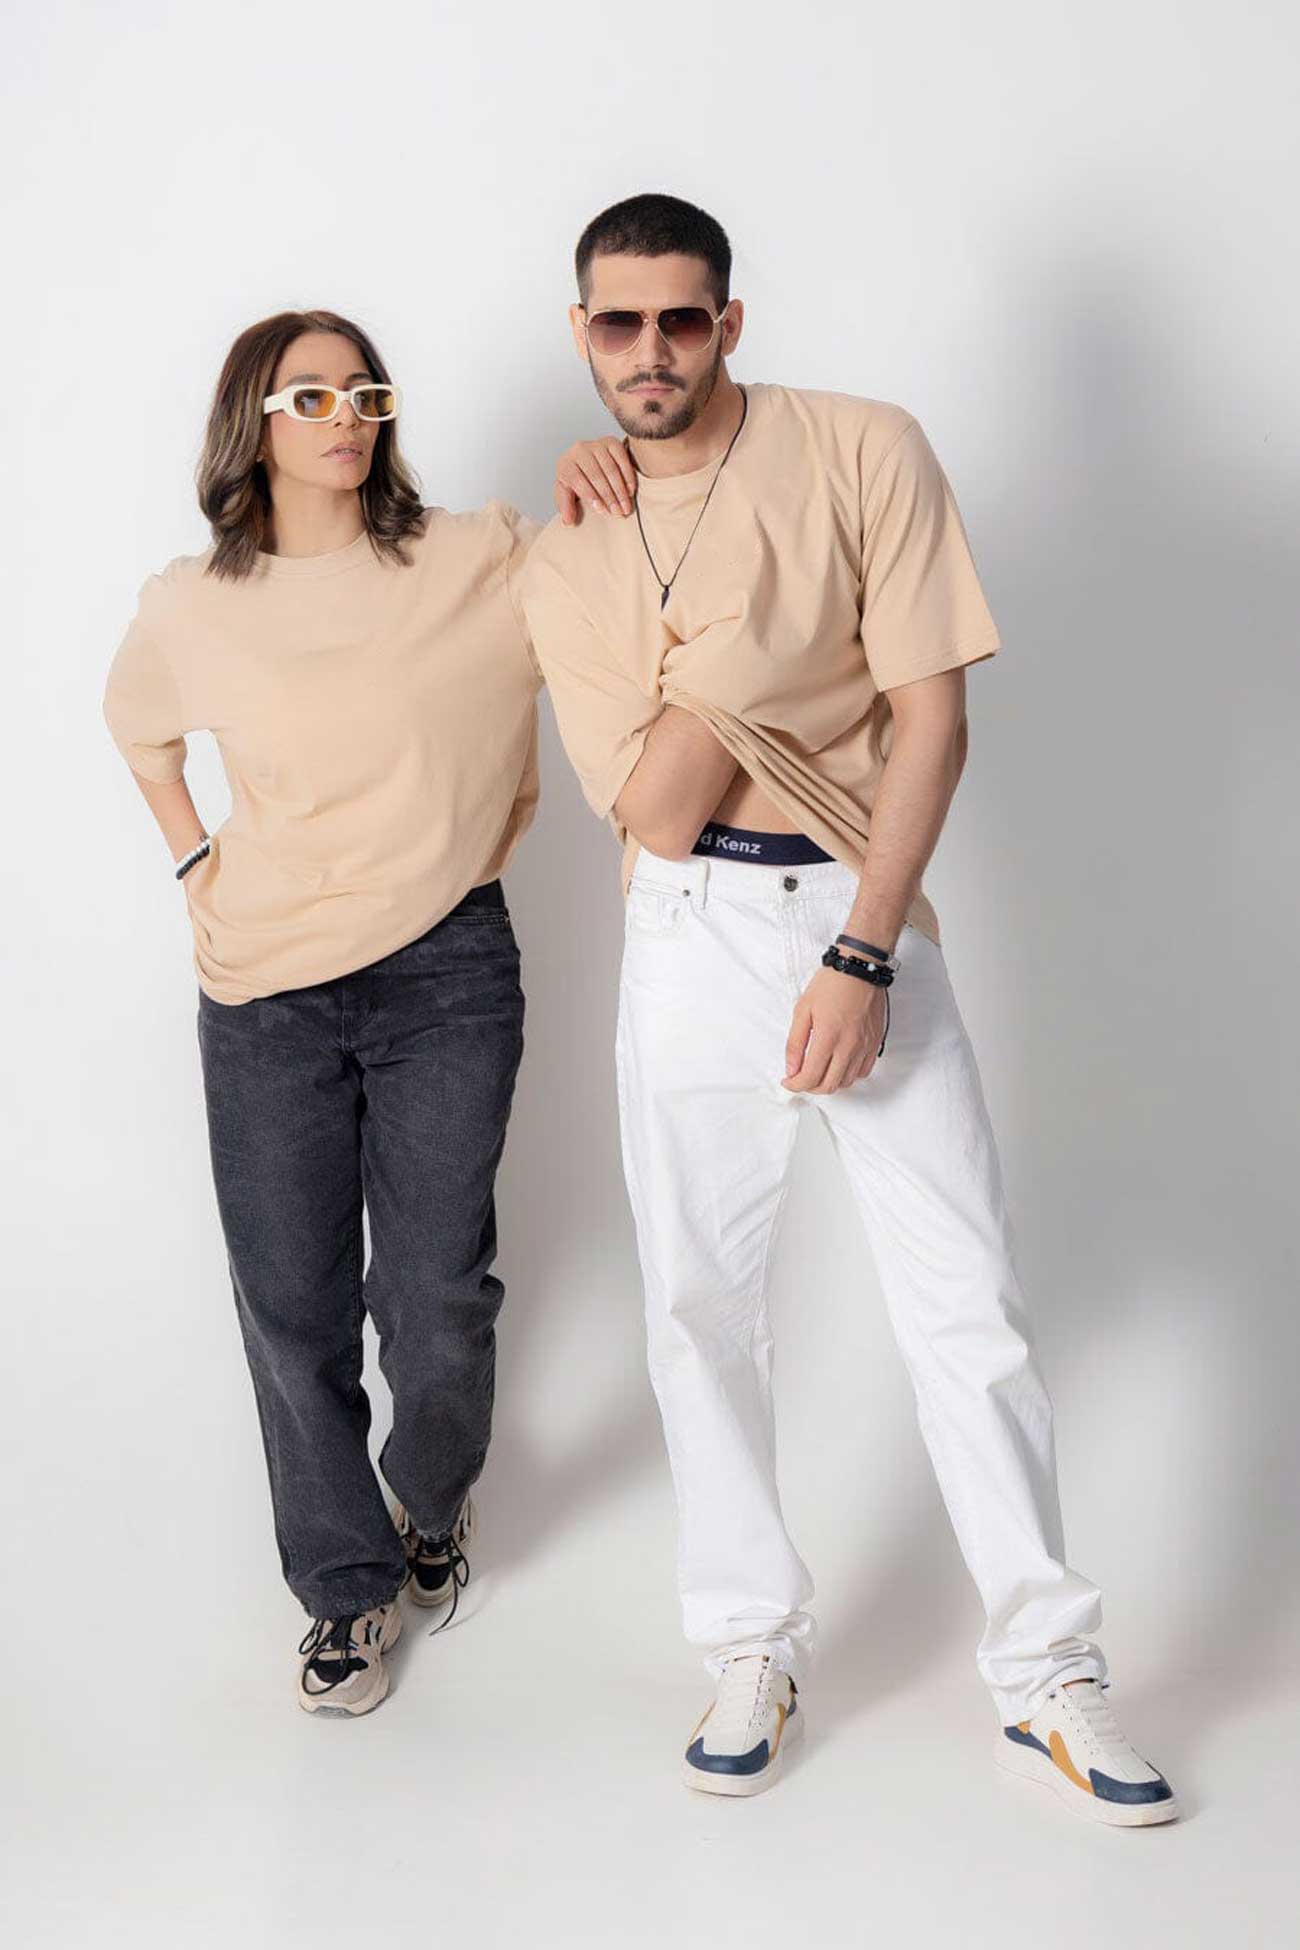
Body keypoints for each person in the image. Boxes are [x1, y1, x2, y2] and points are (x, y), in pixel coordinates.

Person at [522, 195, 1177, 1822]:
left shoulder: (865, 447)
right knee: (696, 1306)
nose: (653, 351)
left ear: (730, 323)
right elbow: (655, 806)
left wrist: (866, 954)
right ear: (584, 336)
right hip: (686, 929)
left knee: (968, 1302)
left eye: (683, 318)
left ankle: (1047, 1669)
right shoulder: (569, 548)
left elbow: (931, 720)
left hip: (855, 910)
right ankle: (749, 1639)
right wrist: (785, 635)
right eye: (621, 323)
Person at [103, 309, 545, 1716]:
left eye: (366, 391)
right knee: (290, 1306)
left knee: (436, 1297)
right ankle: (345, 1588)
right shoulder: (193, 601)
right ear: (255, 421)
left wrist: (603, 488)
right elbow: (137, 724)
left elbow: (608, 608)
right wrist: (194, 858)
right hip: (264, 991)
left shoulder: (474, 556)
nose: (347, 413)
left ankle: (430, 1499)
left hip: (446, 971)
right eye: (311, 395)